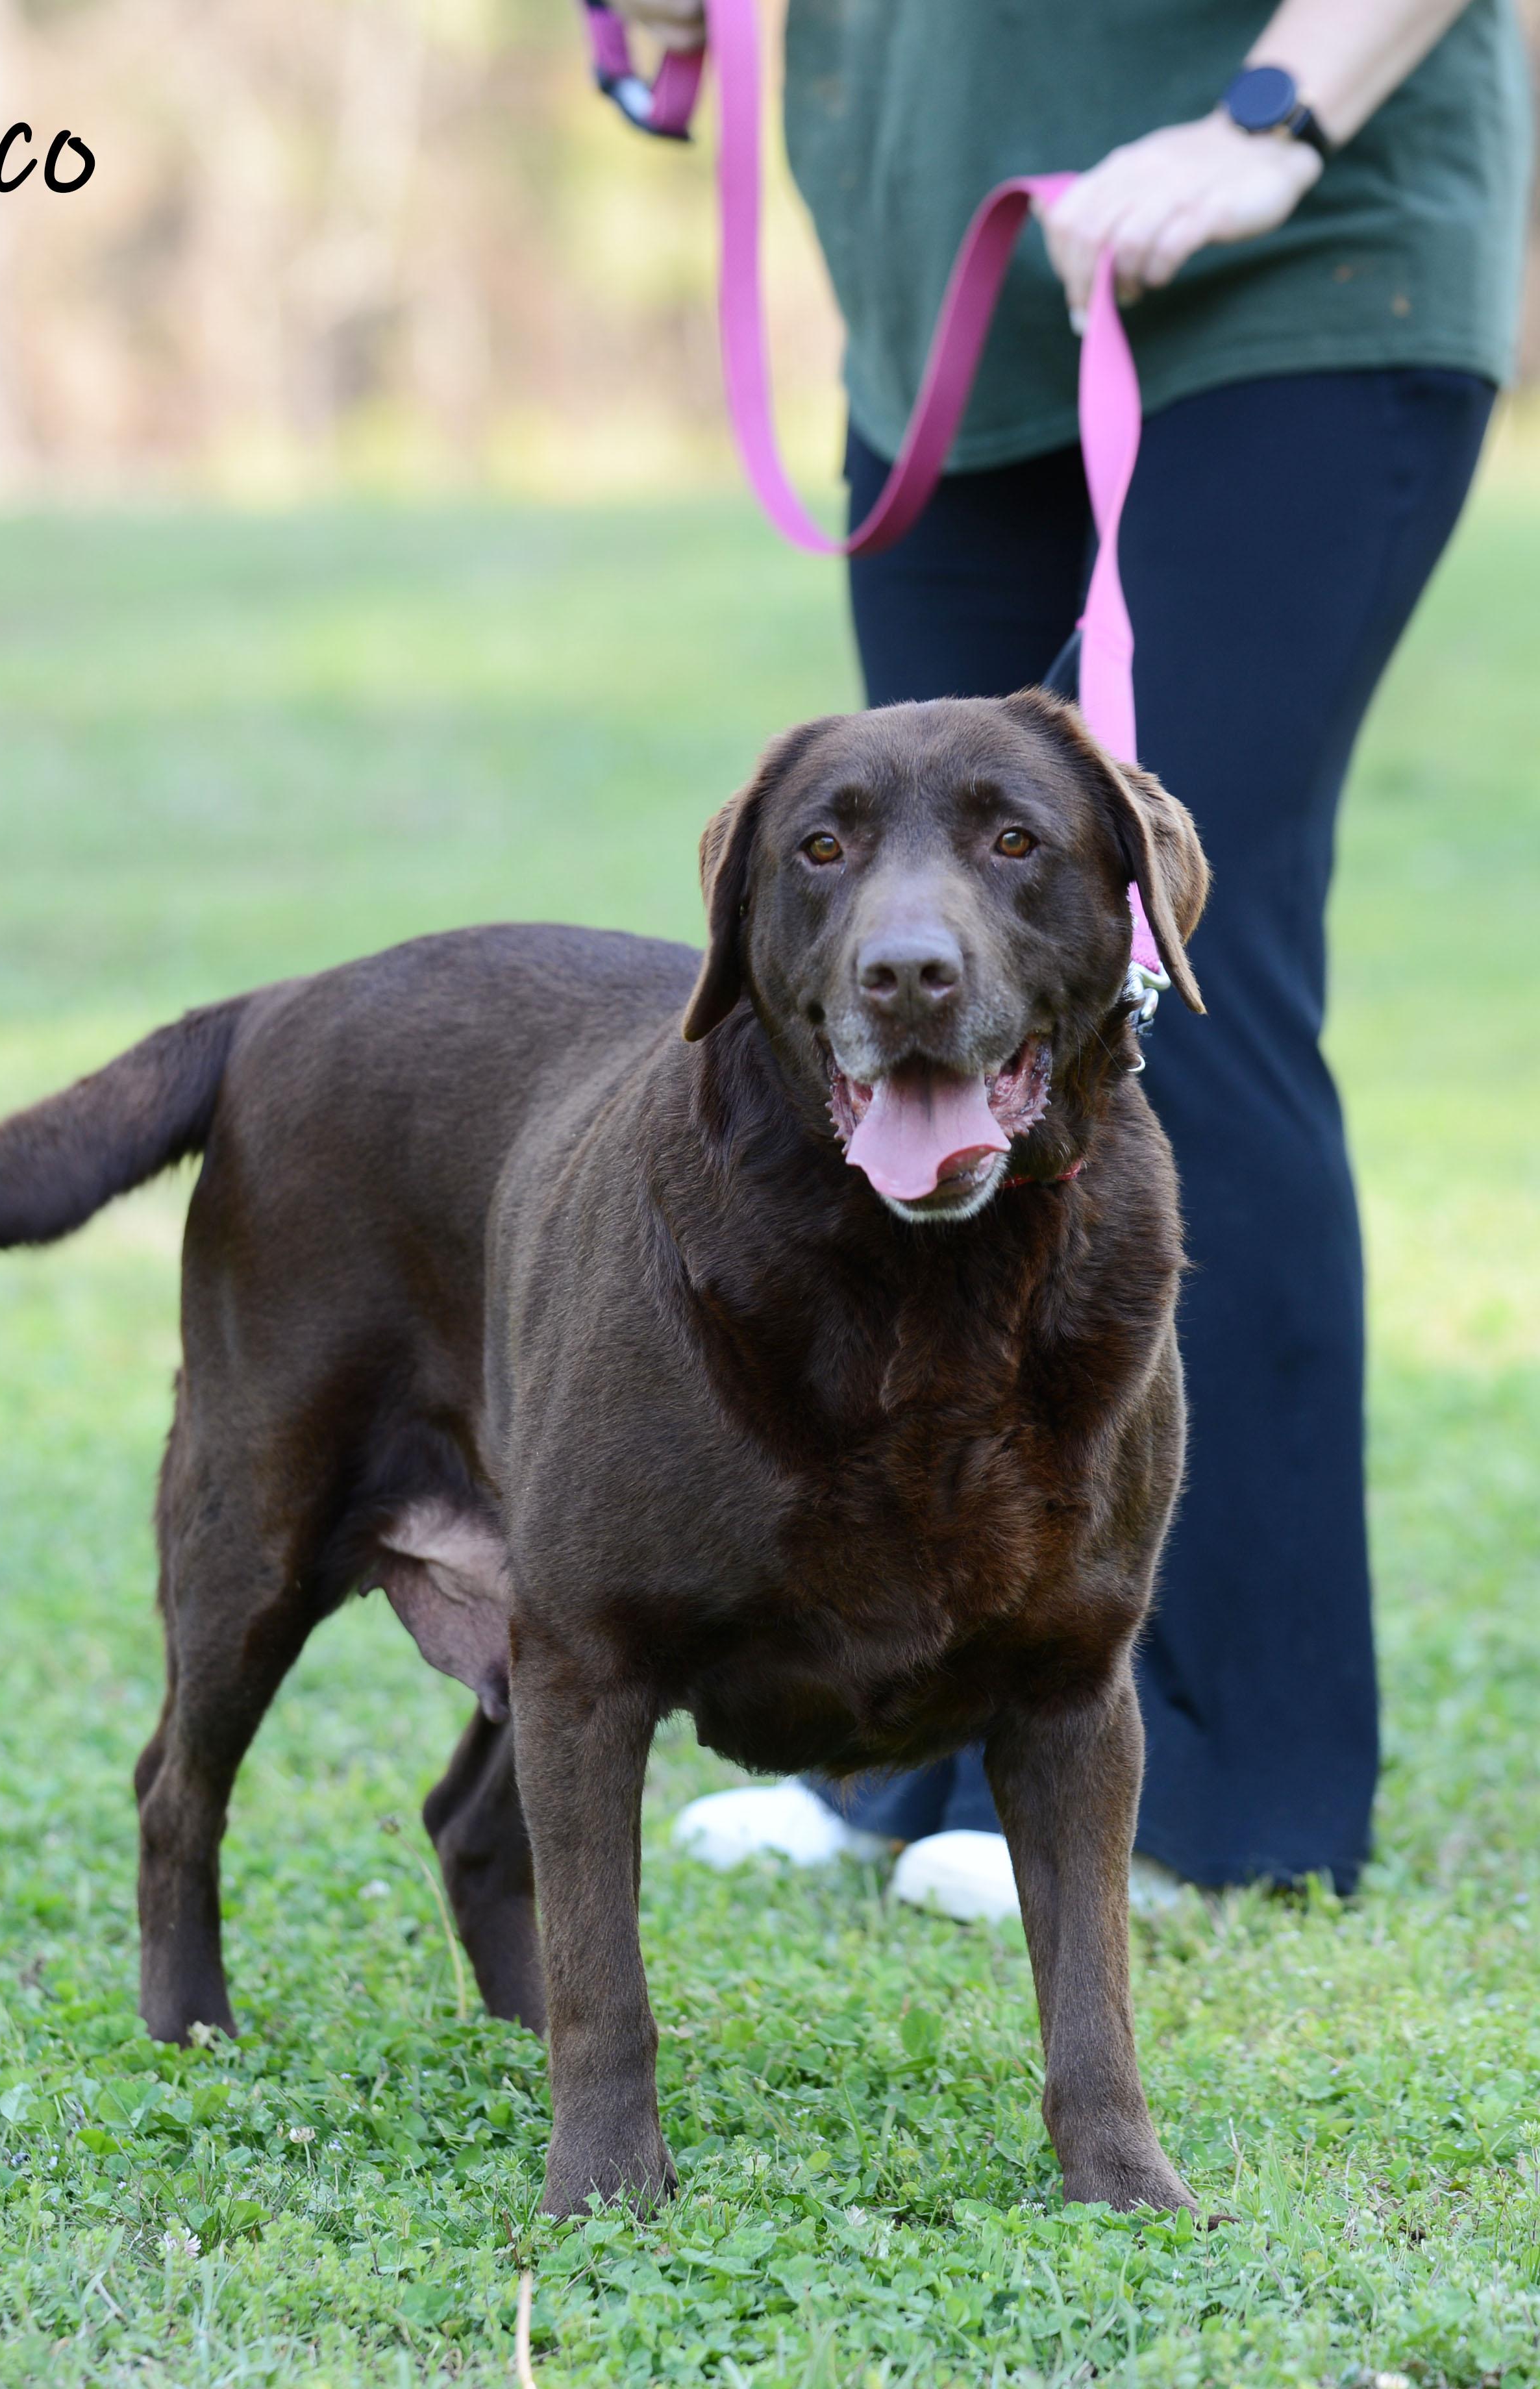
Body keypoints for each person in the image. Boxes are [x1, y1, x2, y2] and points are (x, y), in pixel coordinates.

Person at [622, 0, 1532, 1914]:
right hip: (951, 321)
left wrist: (1275, 118)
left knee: (1177, 981)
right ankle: (910, 1739)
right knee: (919, 978)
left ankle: (1225, 1786)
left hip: (1280, 269)